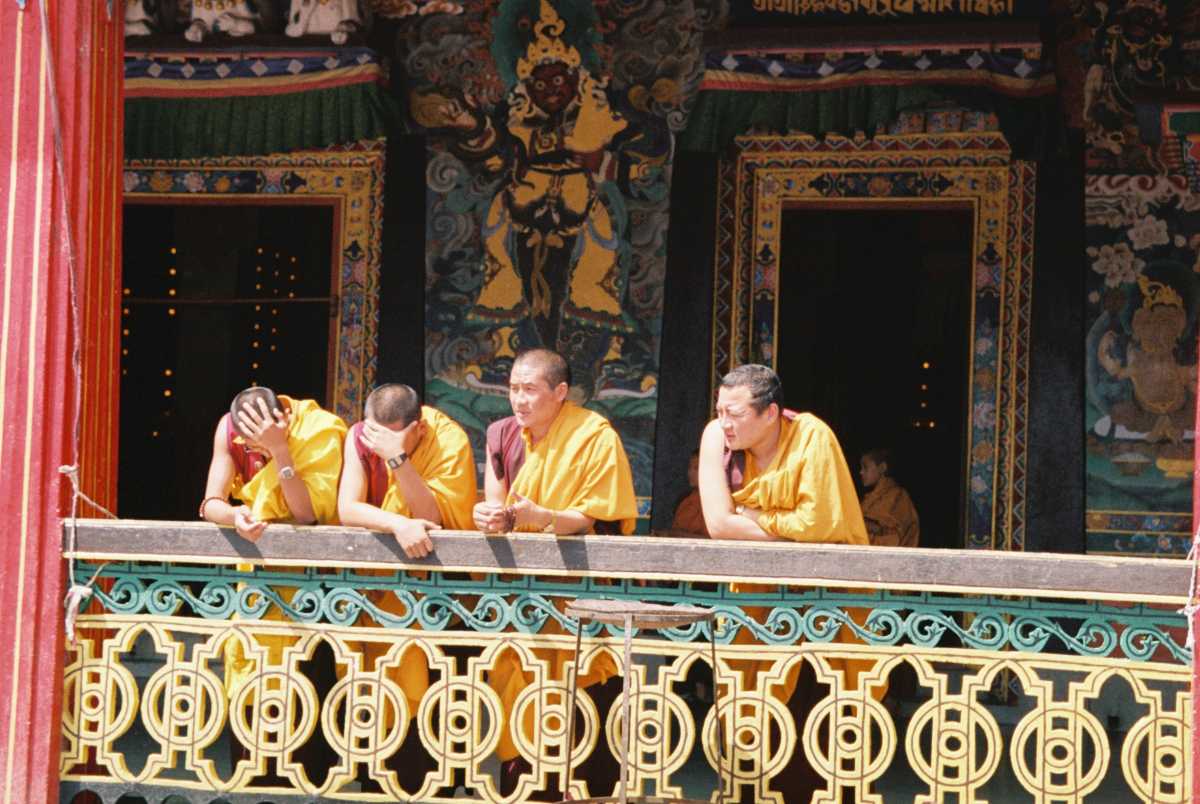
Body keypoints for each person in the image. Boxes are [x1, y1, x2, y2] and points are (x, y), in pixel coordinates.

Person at [697, 364, 872, 800]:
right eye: (720, 410)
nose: (724, 422)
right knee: (749, 717)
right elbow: (718, 524)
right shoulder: (716, 438)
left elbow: (820, 523)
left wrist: (754, 517)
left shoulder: (812, 435)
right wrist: (787, 528)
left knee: (821, 721)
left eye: (735, 413)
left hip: (825, 607)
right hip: (754, 607)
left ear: (771, 412)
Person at [472, 348, 637, 796]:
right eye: (513, 389)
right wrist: (491, 516)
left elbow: (596, 515)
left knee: (584, 709)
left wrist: (545, 515)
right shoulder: (501, 433)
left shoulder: (593, 435)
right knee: (519, 703)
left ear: (560, 393)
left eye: (530, 390)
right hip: (522, 602)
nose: (518, 400)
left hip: (579, 599)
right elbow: (500, 502)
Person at [337, 383, 478, 788]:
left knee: (437, 717)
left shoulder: (447, 438)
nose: (376, 443)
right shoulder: (359, 437)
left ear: (417, 429)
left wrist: (396, 459)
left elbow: (433, 513)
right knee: (379, 708)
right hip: (381, 600)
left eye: (392, 436)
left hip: (441, 601)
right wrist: (398, 524)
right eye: (373, 434)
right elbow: (348, 508)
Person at [198, 386, 347, 698]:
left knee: (305, 682)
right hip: (256, 577)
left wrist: (280, 452)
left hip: (314, 580)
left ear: (286, 419)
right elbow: (211, 503)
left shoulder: (317, 429)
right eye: (250, 446)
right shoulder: (229, 430)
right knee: (248, 666)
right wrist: (233, 516)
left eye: (260, 444)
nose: (255, 452)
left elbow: (306, 514)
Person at [859, 448, 920, 548]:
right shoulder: (869, 498)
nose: (861, 472)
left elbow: (893, 538)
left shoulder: (898, 497)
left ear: (882, 468)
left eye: (865, 467)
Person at [669, 449, 708, 536]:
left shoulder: (718, 503)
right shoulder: (685, 500)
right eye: (690, 467)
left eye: (696, 468)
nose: (690, 473)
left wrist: (680, 535)